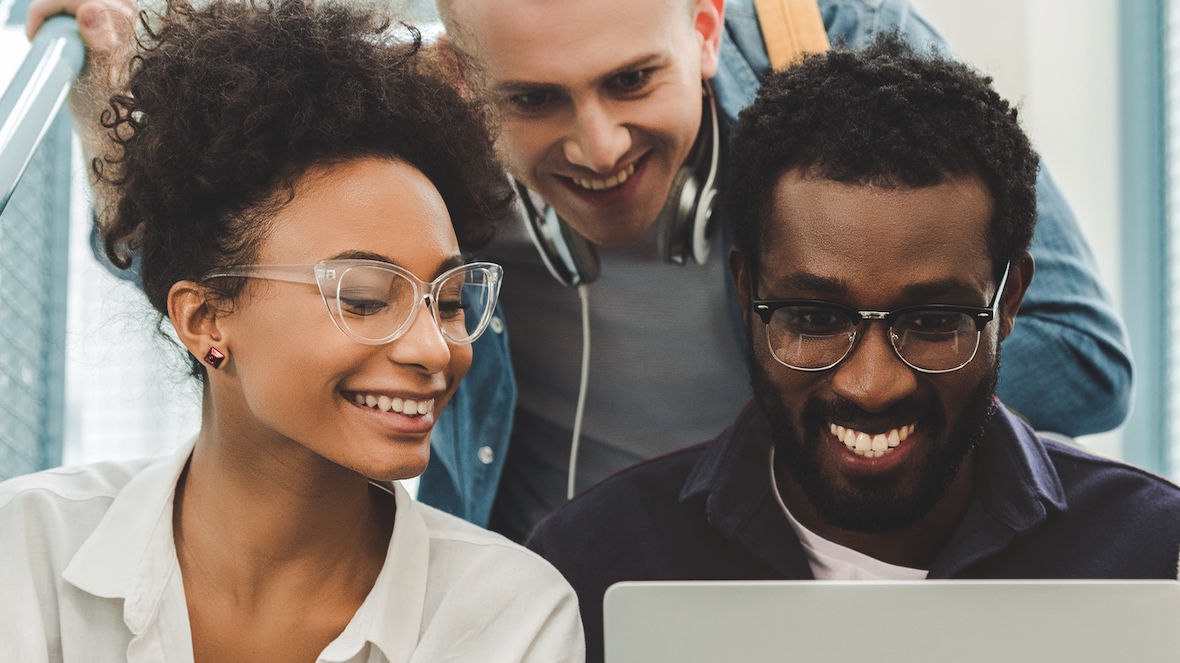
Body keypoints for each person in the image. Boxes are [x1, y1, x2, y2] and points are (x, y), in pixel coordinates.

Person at [523, 37, 1180, 662]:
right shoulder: (592, 562)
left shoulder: (1155, 549)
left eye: (932, 320)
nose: (872, 384)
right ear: (748, 290)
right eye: (814, 317)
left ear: (1008, 305)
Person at [0, 0, 584, 660]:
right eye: (362, 297)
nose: (432, 347)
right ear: (204, 318)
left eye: (447, 300)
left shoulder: (513, 619)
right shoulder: (13, 555)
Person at [422, 0, 1134, 540]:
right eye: (532, 100)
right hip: (562, 599)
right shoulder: (411, 149)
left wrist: (826, 372)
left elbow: (1085, 357)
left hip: (806, 574)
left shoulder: (837, 47)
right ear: (463, 77)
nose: (599, 149)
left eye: (633, 80)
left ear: (704, 29)